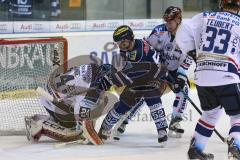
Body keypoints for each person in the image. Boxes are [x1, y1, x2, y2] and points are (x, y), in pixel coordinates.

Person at [175, 0, 240, 159]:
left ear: (221, 4)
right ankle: (235, 144)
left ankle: (196, 148)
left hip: (202, 76)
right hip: (226, 74)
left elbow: (182, 31)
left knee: (211, 113)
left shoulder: (205, 16)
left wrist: (192, 53)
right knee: (237, 115)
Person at [97, 25, 169, 146]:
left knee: (152, 97)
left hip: (156, 77)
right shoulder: (128, 47)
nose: (119, 45)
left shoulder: (139, 52)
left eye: (120, 42)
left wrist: (112, 78)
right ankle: (105, 128)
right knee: (124, 103)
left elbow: (130, 74)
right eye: (117, 43)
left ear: (128, 39)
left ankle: (162, 130)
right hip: (143, 75)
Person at [25, 62, 119, 145]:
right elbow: (82, 119)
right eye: (110, 85)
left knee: (99, 102)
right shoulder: (93, 90)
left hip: (50, 93)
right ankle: (39, 125)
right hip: (51, 100)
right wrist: (90, 137)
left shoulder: (92, 68)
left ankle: (46, 119)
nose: (109, 88)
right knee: (74, 131)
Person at [147, 6, 193, 138]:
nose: (167, 24)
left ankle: (175, 121)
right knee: (145, 92)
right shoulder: (159, 32)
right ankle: (124, 120)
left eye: (170, 22)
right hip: (157, 68)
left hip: (174, 70)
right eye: (166, 21)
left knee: (184, 91)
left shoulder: (187, 36)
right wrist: (155, 65)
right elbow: (147, 48)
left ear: (178, 20)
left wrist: (181, 76)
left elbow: (189, 57)